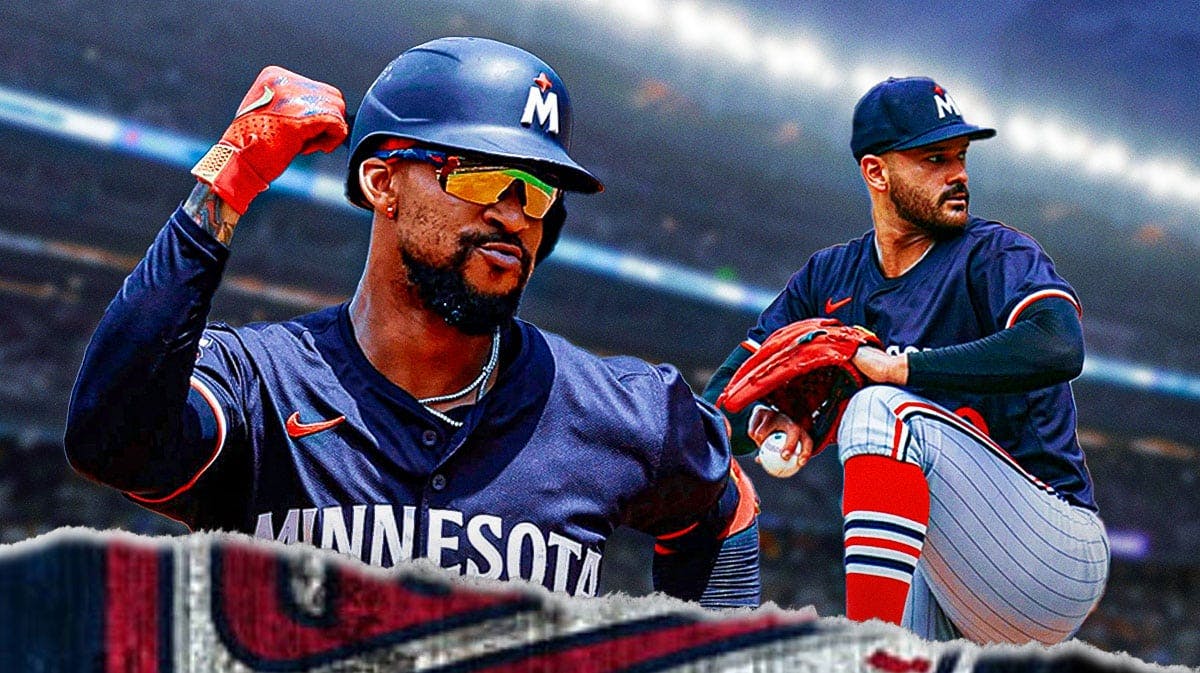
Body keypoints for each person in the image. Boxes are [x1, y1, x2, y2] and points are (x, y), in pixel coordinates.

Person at [65, 37, 760, 607]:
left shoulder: (623, 410)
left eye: (538, 191)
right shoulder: (261, 384)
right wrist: (228, 176)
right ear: (382, 182)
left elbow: (724, 509)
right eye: (481, 175)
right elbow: (109, 437)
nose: (514, 213)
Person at [703, 76, 1108, 641]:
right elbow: (725, 401)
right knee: (895, 503)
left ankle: (869, 650)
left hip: (1052, 548)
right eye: (934, 158)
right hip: (954, 567)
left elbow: (1059, 344)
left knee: (880, 410)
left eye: (961, 157)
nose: (958, 173)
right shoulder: (829, 277)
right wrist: (764, 421)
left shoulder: (994, 254)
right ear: (876, 172)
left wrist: (904, 368)